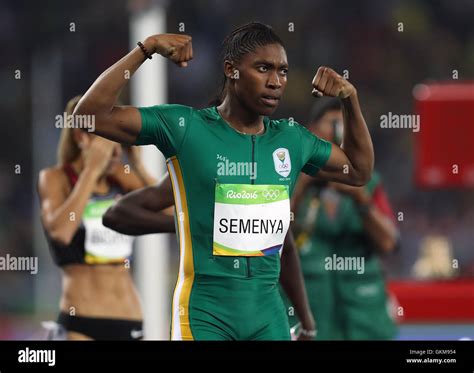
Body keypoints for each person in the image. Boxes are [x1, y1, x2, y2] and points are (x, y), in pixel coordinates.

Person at [74, 22, 374, 340]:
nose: (276, 82)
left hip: (267, 317)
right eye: (264, 69)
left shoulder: (293, 139)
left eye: (283, 72)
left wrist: (349, 98)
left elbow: (358, 170)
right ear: (231, 70)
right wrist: (145, 48)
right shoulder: (185, 128)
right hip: (205, 314)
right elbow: (89, 116)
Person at [102, 175, 316, 340]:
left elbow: (285, 248)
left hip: (263, 315)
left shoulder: (266, 168)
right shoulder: (201, 162)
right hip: (207, 314)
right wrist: (190, 226)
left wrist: (306, 319)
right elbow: (115, 215)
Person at [37, 96, 155, 340]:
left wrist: (138, 165)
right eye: (108, 141)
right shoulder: (55, 178)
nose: (116, 152)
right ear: (82, 137)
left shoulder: (121, 180)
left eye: (118, 142)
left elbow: (173, 211)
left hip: (129, 318)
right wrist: (91, 171)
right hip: (81, 321)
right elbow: (60, 232)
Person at [289, 98, 399, 340]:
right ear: (312, 131)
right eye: (334, 124)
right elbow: (272, 237)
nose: (341, 133)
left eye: (347, 127)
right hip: (310, 311)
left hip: (363, 315)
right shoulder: (292, 179)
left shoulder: (370, 182)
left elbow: (389, 243)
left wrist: (361, 199)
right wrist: (302, 182)